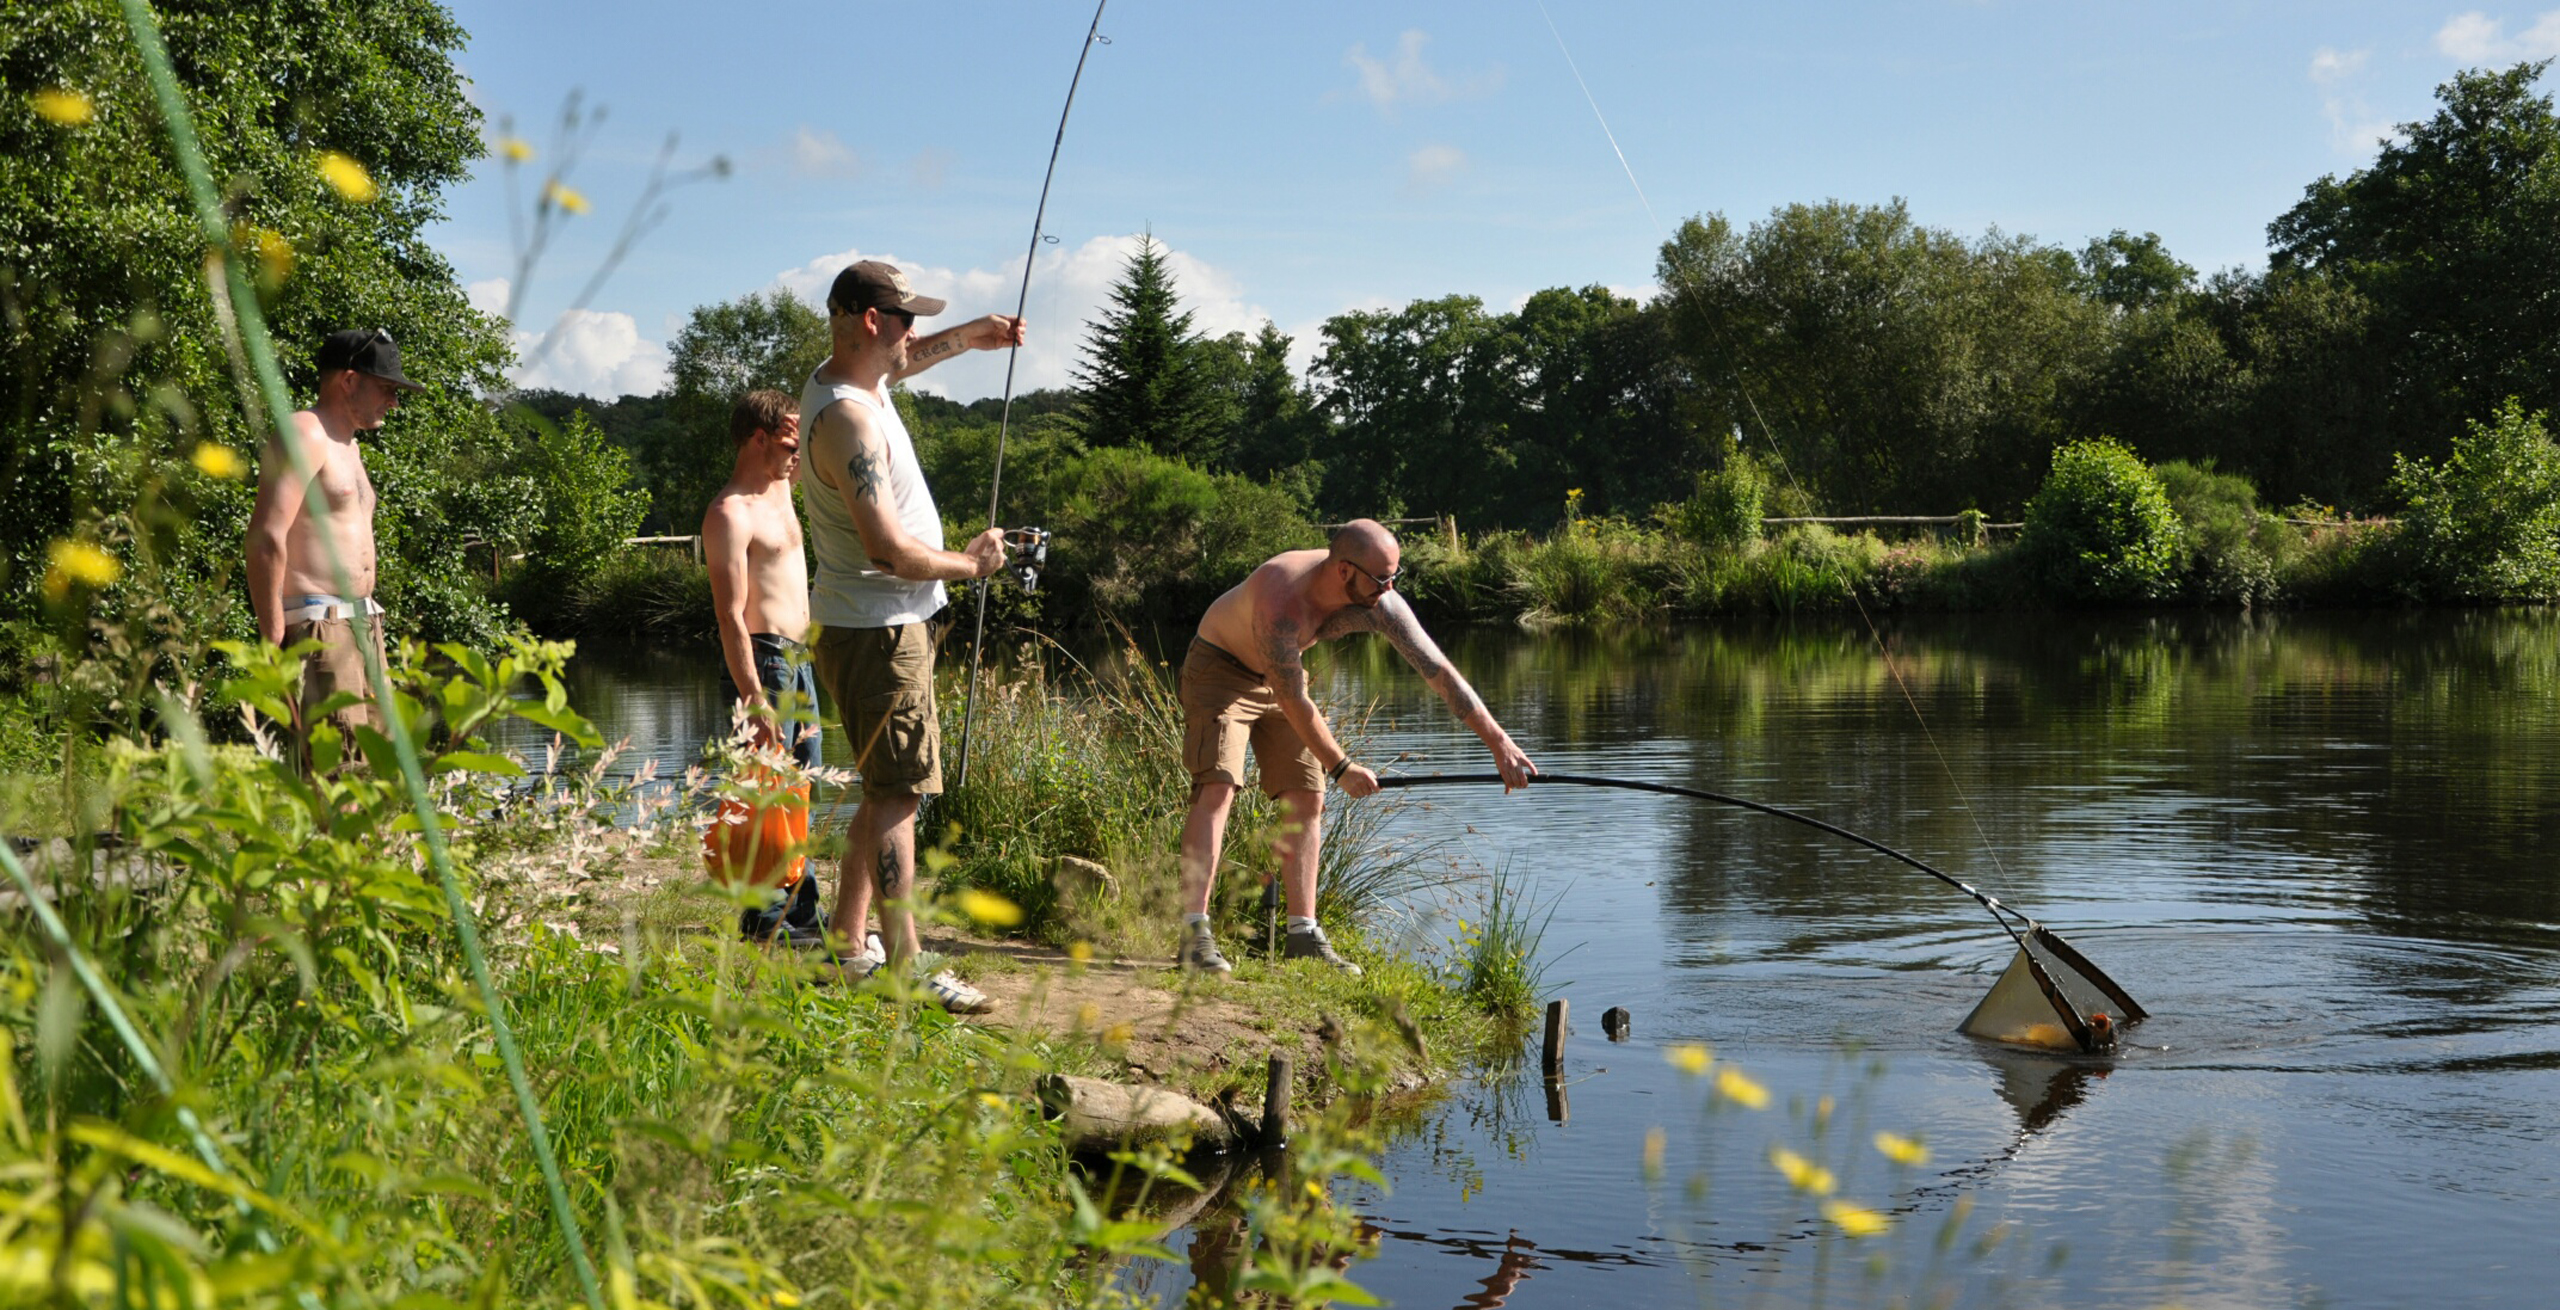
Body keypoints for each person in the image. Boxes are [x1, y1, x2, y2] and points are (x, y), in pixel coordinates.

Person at [797, 259, 1023, 1012]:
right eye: (906, 320)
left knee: (883, 788)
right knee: (899, 797)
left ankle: (842, 941)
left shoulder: (852, 384)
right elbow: (887, 551)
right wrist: (973, 563)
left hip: (871, 627)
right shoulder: (848, 420)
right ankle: (908, 963)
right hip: (879, 632)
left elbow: (905, 366)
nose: (913, 335)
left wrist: (973, 337)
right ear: (871, 321)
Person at [1177, 519, 1536, 975]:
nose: (1388, 588)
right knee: (1219, 786)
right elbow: (1295, 700)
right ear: (1344, 570)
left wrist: (1498, 742)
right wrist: (1342, 765)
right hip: (1221, 673)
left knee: (1307, 797)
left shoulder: (1380, 599)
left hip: (1283, 678)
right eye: (1380, 578)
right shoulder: (1280, 595)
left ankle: (1302, 935)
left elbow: (1436, 668)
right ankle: (1195, 934)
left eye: (1395, 576)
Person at [702, 389, 880, 956]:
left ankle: (798, 910)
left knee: (799, 787)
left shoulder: (781, 487)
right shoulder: (730, 512)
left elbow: (830, 444)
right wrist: (753, 698)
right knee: (766, 792)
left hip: (800, 660)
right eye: (786, 442)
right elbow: (729, 616)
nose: (795, 454)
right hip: (765, 661)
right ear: (757, 439)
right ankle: (764, 921)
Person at [245, 328, 424, 759]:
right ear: (349, 381)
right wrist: (271, 636)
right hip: (320, 627)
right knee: (338, 771)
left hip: (363, 624)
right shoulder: (304, 434)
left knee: (381, 766)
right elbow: (265, 536)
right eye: (386, 389)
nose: (394, 402)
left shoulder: (349, 446)